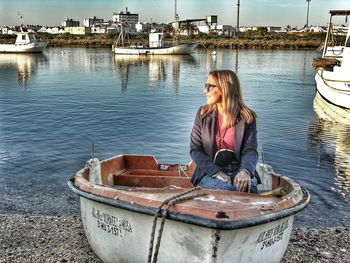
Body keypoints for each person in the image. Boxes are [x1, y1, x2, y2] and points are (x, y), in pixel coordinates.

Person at [190, 70, 259, 193]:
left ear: (224, 88)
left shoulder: (247, 117)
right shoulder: (202, 114)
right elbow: (195, 150)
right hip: (209, 171)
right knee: (227, 189)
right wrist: (216, 172)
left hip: (240, 169)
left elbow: (250, 151)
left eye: (209, 86)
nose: (205, 91)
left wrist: (245, 171)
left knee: (250, 189)